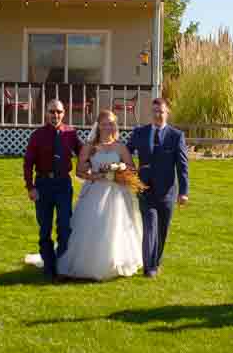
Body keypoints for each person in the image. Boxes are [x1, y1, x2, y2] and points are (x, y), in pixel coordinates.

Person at [58, 109, 143, 280]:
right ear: (98, 126)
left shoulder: (120, 147)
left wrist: (120, 169)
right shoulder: (90, 148)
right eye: (104, 123)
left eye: (111, 123)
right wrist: (98, 176)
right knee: (94, 225)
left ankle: (115, 260)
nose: (108, 127)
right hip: (95, 192)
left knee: (116, 226)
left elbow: (132, 169)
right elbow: (80, 172)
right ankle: (89, 262)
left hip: (117, 193)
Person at [127, 98, 189, 277]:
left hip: (167, 192)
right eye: (154, 111)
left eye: (161, 111)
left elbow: (182, 166)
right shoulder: (139, 132)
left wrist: (184, 192)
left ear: (167, 112)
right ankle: (149, 268)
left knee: (162, 229)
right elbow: (126, 153)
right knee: (150, 226)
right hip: (145, 190)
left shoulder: (176, 136)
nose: (157, 115)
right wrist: (124, 170)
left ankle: (156, 261)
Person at [24, 99, 82, 281]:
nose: (55, 115)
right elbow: (28, 163)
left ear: (64, 113)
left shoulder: (71, 133)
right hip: (43, 185)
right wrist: (30, 187)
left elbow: (83, 153)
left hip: (63, 184)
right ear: (46, 113)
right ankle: (49, 266)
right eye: (52, 112)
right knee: (45, 228)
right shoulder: (37, 135)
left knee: (65, 226)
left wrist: (101, 153)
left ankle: (61, 264)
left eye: (58, 112)